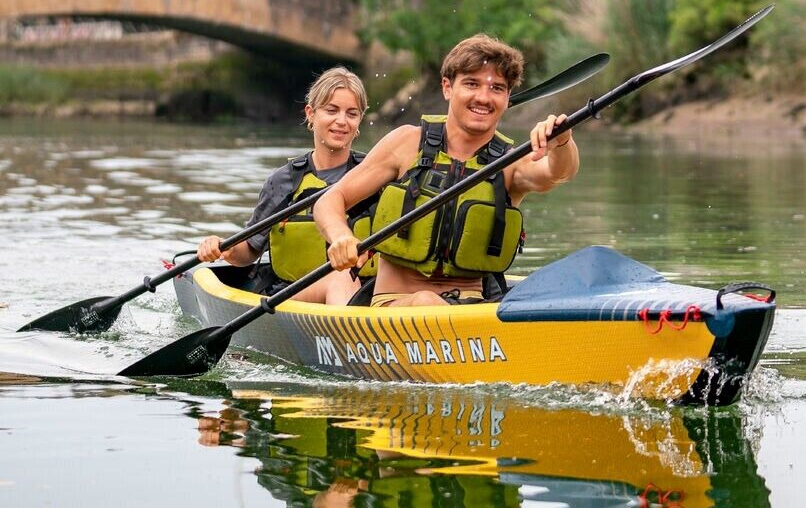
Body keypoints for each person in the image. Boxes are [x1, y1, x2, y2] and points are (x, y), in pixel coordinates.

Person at [314, 34, 579, 308]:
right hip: (395, 306)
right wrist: (340, 235)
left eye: (497, 88)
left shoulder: (510, 163)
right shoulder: (406, 143)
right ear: (447, 87)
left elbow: (558, 172)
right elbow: (330, 201)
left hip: (471, 310)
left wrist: (562, 141)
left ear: (507, 97)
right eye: (471, 84)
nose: (483, 97)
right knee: (426, 302)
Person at [196, 66, 369, 305]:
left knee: (346, 279)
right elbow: (250, 250)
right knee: (340, 277)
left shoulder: (374, 174)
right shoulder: (283, 182)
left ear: (360, 119)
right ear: (311, 113)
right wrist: (224, 248)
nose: (342, 121)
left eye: (352, 113)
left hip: (361, 296)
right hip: (293, 297)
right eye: (332, 110)